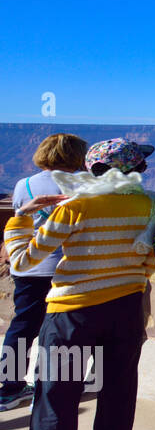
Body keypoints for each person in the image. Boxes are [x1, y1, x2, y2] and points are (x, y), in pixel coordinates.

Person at [4, 138, 155, 430]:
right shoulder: (151, 203)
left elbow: (23, 261)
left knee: (57, 401)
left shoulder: (75, 206)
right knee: (118, 391)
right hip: (126, 308)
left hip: (74, 315)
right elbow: (153, 259)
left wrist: (20, 217)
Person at [2, 134, 88, 411]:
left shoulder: (23, 185)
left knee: (23, 326)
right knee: (64, 331)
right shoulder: (83, 186)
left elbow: (20, 219)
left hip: (28, 266)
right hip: (66, 268)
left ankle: (10, 387)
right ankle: (52, 388)